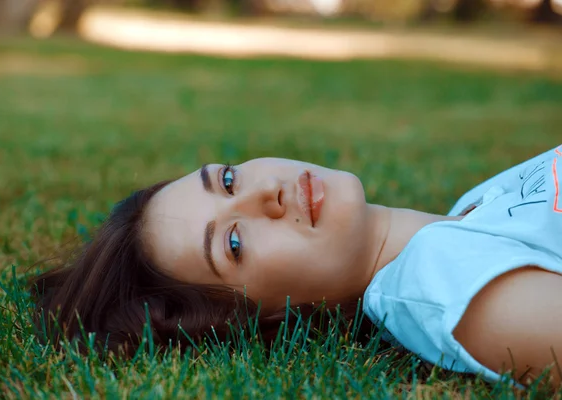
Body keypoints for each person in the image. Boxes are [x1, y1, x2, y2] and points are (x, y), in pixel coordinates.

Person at [30, 144, 562, 388]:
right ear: (271, 318)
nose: (268, 192)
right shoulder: (441, 289)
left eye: (230, 180)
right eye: (234, 243)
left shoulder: (469, 214)